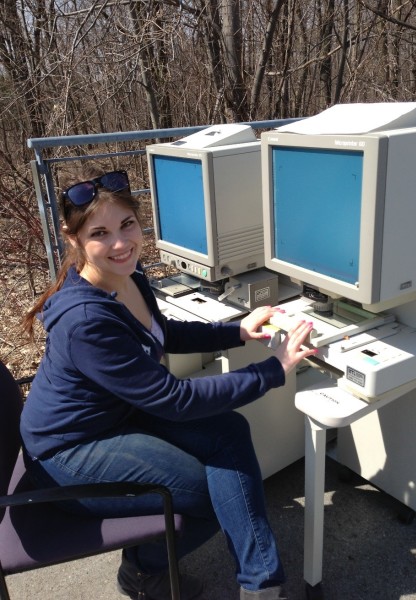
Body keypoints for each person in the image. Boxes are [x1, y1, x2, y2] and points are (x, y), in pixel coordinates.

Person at [21, 165, 317, 600]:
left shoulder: (128, 278)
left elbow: (165, 333)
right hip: (66, 453)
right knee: (204, 495)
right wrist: (272, 369)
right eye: (100, 233)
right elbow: (175, 401)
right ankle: (144, 570)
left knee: (229, 430)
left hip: (116, 415)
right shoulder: (85, 320)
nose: (121, 243)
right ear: (74, 239)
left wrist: (236, 331)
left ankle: (261, 584)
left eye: (127, 225)